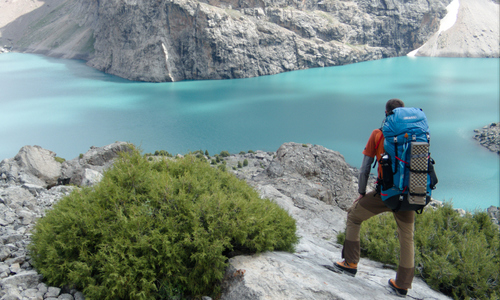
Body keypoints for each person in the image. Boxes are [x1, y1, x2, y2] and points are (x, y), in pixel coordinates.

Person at [333, 98, 414, 297]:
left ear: (386, 113)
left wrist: (361, 193)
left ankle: (350, 263)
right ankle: (402, 284)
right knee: (407, 236)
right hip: (409, 195)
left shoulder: (378, 134)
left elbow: (364, 169)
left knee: (354, 216)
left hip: (385, 194)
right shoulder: (415, 135)